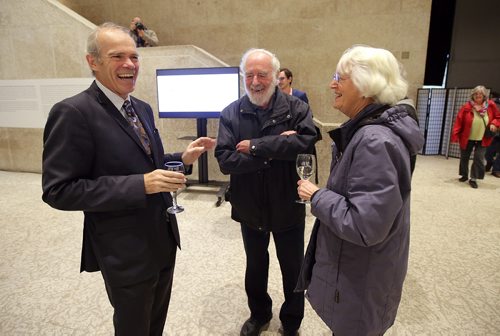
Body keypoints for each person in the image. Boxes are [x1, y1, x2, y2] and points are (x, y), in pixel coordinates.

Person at [42, 22, 215, 336]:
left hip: (163, 241)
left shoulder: (142, 108)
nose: (129, 64)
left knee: (155, 325)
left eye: (134, 57)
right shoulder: (72, 112)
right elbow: (58, 190)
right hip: (124, 251)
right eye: (117, 56)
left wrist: (182, 159)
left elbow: (146, 161)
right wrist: (140, 185)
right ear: (92, 62)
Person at [295, 45, 424, 336]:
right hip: (362, 272)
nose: (332, 84)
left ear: (367, 86)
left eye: (340, 77)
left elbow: (365, 225)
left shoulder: (374, 141)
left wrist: (317, 195)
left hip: (362, 278)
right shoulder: (368, 131)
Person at [215, 48, 317, 336]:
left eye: (262, 74)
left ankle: (292, 321)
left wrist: (257, 146)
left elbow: (306, 144)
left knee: (293, 269)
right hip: (249, 207)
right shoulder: (230, 113)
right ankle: (259, 314)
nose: (255, 81)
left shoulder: (297, 108)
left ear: (275, 76)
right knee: (255, 268)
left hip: (288, 205)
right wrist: (278, 148)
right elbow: (225, 160)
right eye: (249, 75)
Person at [451, 85, 500, 188]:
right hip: (467, 137)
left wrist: (494, 123)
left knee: (479, 158)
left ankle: (473, 178)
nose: (478, 96)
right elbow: (459, 121)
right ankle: (464, 174)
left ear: (484, 96)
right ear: (472, 95)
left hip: (483, 138)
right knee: (464, 157)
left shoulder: (490, 105)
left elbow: (497, 117)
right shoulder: (466, 107)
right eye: (476, 94)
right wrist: (455, 135)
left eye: (481, 94)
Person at [485, 96, 500, 177]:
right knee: (488, 153)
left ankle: (496, 169)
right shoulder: (492, 112)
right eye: (497, 105)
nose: (498, 107)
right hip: (493, 135)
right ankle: (489, 163)